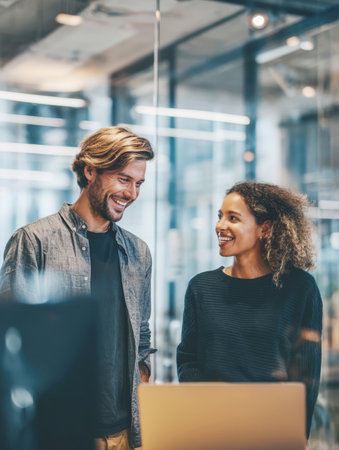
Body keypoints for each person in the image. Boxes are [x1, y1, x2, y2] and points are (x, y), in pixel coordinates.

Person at [0, 126, 155, 449]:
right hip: (59, 431)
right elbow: (8, 340)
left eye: (138, 183)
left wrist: (143, 374)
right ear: (90, 171)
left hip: (123, 430)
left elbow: (141, 333)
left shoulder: (138, 252)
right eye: (123, 179)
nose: (132, 193)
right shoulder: (34, 240)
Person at [177, 181, 322, 443]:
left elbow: (306, 375)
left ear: (264, 228)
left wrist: (298, 436)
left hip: (273, 430)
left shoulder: (299, 288)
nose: (220, 226)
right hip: (212, 430)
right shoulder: (201, 287)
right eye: (220, 216)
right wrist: (204, 411)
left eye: (233, 218)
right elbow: (188, 360)